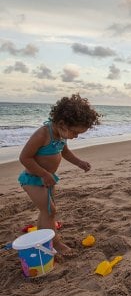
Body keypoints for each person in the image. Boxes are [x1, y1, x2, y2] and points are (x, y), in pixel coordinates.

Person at [18, 94, 101, 256]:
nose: (75, 136)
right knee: (50, 211)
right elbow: (24, 157)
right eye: (75, 133)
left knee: (47, 211)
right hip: (33, 180)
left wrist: (79, 163)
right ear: (62, 124)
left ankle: (42, 238)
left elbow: (65, 152)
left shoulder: (61, 134)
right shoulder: (43, 134)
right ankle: (55, 243)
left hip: (48, 179)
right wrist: (43, 174)